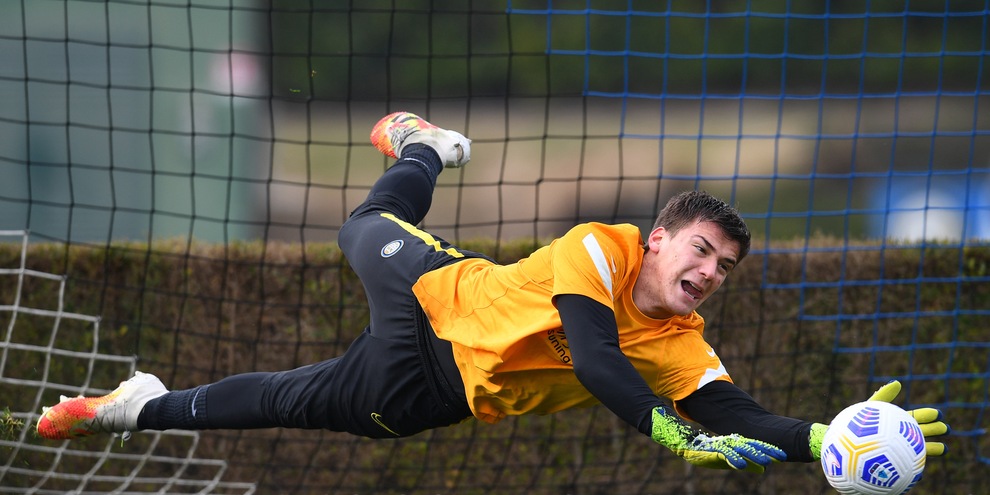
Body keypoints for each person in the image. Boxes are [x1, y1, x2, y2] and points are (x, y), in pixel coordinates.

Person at [37, 112, 949, 472]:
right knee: (359, 228)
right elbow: (593, 355)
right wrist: (669, 430)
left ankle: (133, 410)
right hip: (439, 295)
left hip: (436, 391)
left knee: (289, 400)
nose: (709, 274)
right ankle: (426, 148)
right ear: (661, 236)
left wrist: (822, 437)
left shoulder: (682, 343)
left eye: (723, 269)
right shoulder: (603, 247)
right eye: (702, 250)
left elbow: (733, 404)